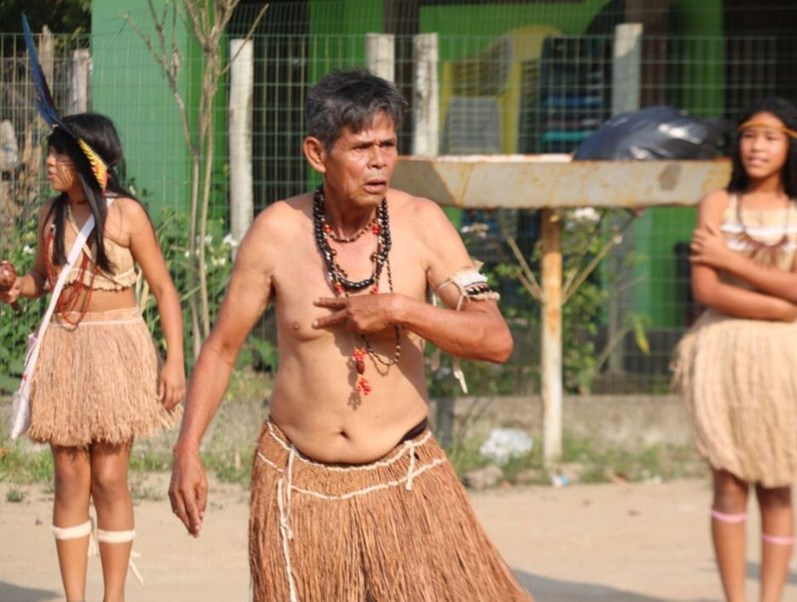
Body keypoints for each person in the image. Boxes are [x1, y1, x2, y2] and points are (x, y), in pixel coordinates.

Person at [168, 68, 530, 601]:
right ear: (318, 154)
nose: (379, 160)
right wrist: (187, 449)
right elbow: (222, 349)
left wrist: (401, 309)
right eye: (361, 147)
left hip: (403, 478)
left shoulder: (423, 224)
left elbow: (495, 340)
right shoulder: (276, 232)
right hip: (295, 481)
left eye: (388, 145)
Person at [672, 97, 797, 602]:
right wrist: (781, 304)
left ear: (793, 146)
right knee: (729, 479)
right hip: (724, 350)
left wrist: (728, 258)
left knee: (778, 480)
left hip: (784, 359)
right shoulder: (718, 203)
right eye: (749, 135)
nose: (757, 146)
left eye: (770, 137)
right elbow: (708, 292)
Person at [0, 112, 186, 602]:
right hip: (64, 350)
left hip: (117, 350)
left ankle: (114, 596)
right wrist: (15, 286)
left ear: (88, 162)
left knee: (108, 477)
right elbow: (42, 280)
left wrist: (175, 361)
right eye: (51, 152)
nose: (50, 162)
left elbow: (165, 290)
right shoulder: (51, 214)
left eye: (61, 154)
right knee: (69, 476)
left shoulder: (125, 215)